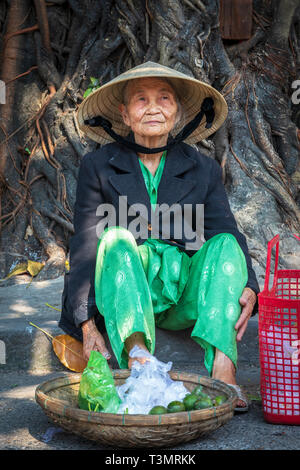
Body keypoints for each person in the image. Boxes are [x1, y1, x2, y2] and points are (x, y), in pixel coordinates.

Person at [59, 61, 260, 412]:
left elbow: (226, 231)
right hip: (125, 291)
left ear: (178, 111)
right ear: (124, 113)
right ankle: (139, 362)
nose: (153, 107)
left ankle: (224, 373)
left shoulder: (203, 168)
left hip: (183, 294)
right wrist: (87, 323)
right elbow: (86, 244)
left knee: (225, 245)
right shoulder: (98, 167)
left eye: (164, 98)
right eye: (141, 99)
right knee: (116, 236)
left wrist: (250, 287)